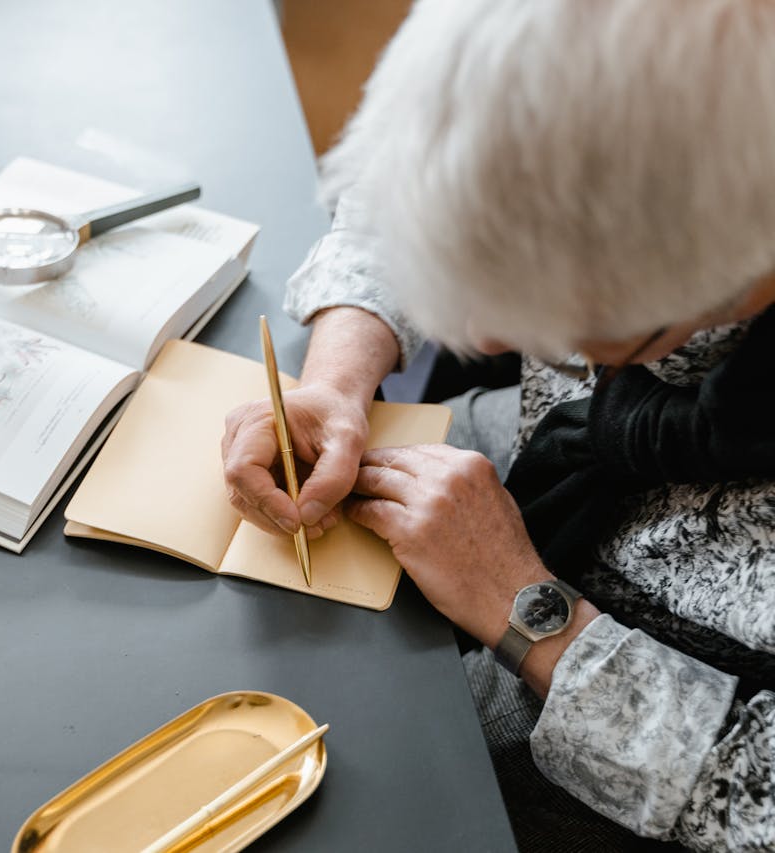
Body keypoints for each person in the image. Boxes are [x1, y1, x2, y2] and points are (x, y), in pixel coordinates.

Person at [222, 1, 775, 850]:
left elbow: (758, 798)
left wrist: (529, 611)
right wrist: (338, 377)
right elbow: (427, 165)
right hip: (541, 462)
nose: (479, 337)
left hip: (656, 720)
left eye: (559, 315)